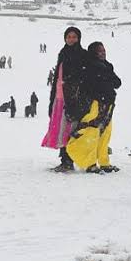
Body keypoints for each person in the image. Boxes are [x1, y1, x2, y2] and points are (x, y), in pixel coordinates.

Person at [66, 42, 122, 173]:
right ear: (93, 53)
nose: (103, 53)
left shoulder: (107, 66)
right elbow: (92, 87)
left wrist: (106, 77)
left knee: (105, 133)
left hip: (107, 105)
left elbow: (117, 83)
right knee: (91, 132)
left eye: (104, 50)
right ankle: (90, 163)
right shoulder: (90, 67)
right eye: (99, 51)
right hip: (95, 105)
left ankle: (104, 162)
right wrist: (106, 80)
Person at [44, 27, 89, 173]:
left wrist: (78, 99)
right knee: (62, 130)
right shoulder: (63, 53)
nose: (71, 39)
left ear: (79, 38)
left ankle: (68, 161)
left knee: (70, 130)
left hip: (72, 99)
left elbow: (84, 79)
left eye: (74, 37)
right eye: (69, 37)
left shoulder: (83, 55)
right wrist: (52, 100)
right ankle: (64, 160)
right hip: (59, 97)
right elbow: (58, 76)